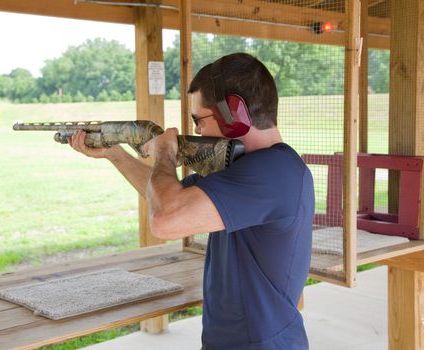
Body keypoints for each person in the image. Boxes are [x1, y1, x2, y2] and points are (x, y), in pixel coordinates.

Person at [70, 52, 314, 350]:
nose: (197, 131)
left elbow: (165, 219)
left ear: (233, 114)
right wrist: (114, 153)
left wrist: (165, 153)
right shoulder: (243, 169)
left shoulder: (273, 172)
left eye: (199, 120)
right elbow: (163, 196)